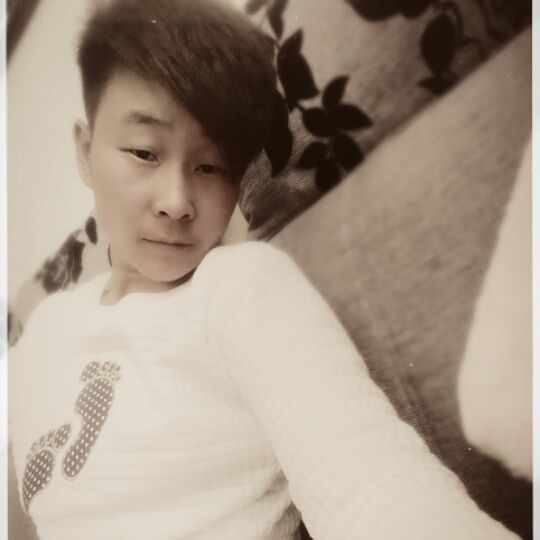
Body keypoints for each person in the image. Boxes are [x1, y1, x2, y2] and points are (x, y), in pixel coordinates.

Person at [8, 0, 521, 538]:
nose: (177, 201)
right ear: (86, 151)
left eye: (212, 167)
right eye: (144, 152)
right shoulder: (45, 330)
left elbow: (370, 484)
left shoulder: (238, 288)